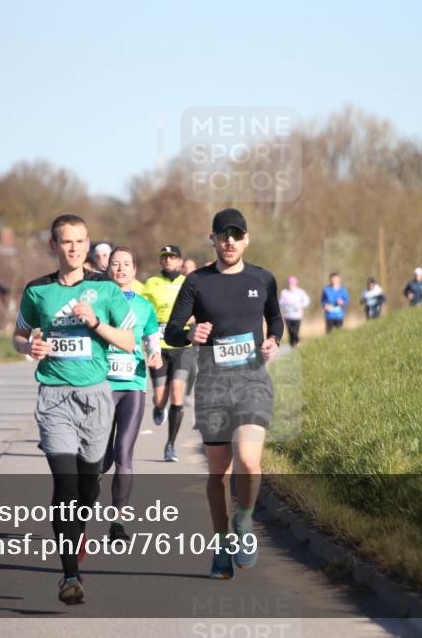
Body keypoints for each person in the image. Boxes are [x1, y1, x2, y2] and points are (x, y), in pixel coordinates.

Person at [12, 214, 136, 605]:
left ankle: (77, 531)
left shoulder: (105, 287)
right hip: (54, 398)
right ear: (54, 246)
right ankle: (70, 575)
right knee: (65, 487)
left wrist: (96, 321)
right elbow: (17, 335)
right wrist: (28, 347)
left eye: (81, 242)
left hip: (97, 397)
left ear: (87, 245)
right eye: (67, 242)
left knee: (88, 486)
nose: (75, 248)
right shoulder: (37, 291)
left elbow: (129, 342)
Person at [165, 208, 283, 580]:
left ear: (246, 239)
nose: (229, 240)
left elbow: (275, 319)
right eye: (222, 234)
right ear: (212, 239)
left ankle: (244, 523)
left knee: (249, 461)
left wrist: (273, 340)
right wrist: (190, 334)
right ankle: (220, 544)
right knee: (219, 472)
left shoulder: (263, 279)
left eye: (237, 234)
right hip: (214, 384)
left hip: (251, 382)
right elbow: (170, 331)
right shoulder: (197, 282)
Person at [102, 246, 163, 542]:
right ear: (107, 269)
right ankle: (78, 513)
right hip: (100, 388)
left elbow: (153, 339)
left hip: (133, 387)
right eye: (115, 264)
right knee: (98, 461)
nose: (120, 269)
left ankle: (118, 523)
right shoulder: (97, 301)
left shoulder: (143, 306)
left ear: (134, 270)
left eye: (126, 264)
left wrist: (156, 355)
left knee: (123, 453)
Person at [142, 245, 195, 462]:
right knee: (161, 397)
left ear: (180, 261)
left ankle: (170, 445)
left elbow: (199, 310)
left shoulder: (188, 283)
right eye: (164, 257)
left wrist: (189, 322)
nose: (167, 260)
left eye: (172, 257)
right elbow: (144, 311)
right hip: (158, 346)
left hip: (182, 346)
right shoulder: (151, 283)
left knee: (176, 392)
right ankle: (158, 407)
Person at [278, 276, 310, 347]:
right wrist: (284, 303)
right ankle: (292, 344)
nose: (291, 285)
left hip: (297, 315)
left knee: (295, 331)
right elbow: (280, 302)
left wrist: (301, 305)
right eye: (290, 283)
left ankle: (296, 341)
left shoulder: (300, 292)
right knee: (290, 331)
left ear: (296, 284)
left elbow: (307, 301)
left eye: (293, 284)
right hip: (288, 315)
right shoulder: (284, 292)